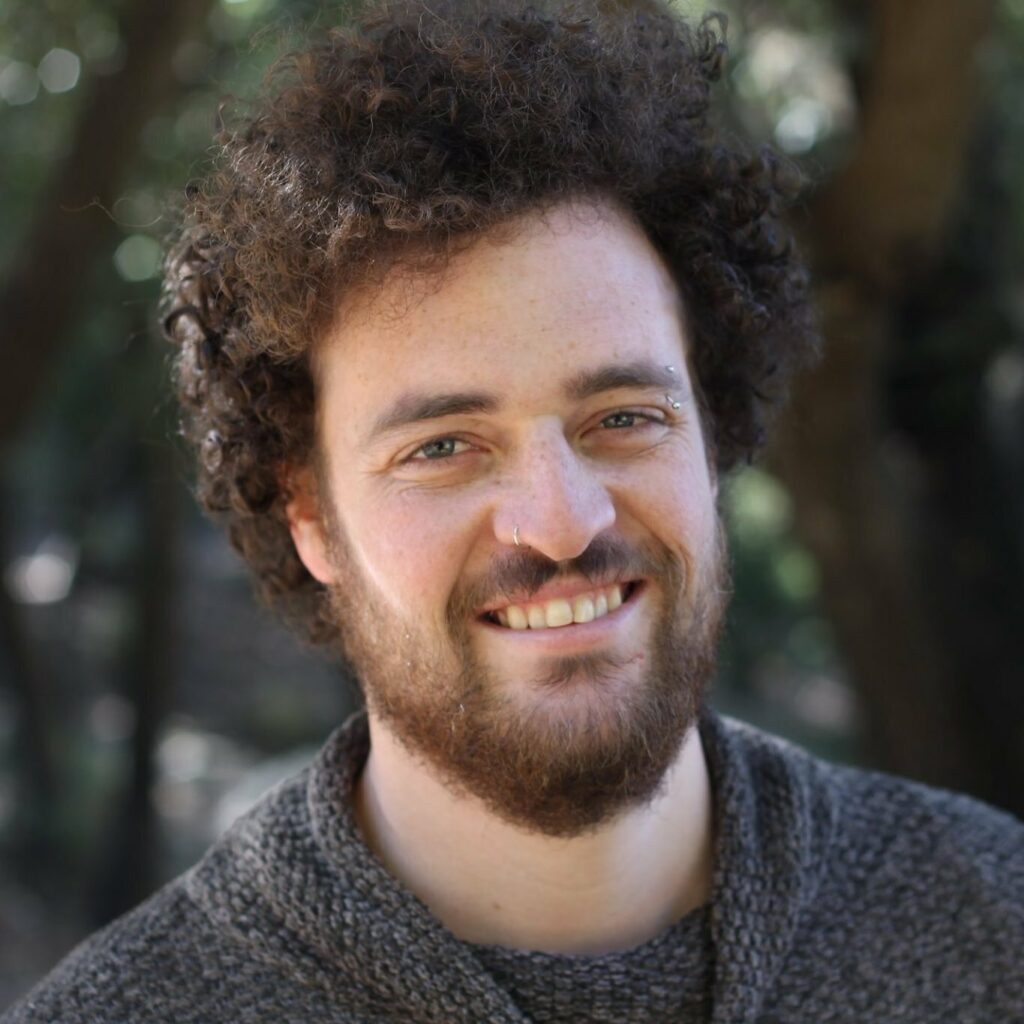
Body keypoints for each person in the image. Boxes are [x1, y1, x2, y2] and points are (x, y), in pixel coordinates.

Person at [7, 1, 1022, 1021]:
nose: (561, 522)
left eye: (622, 415)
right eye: (442, 447)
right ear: (307, 514)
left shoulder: (992, 921)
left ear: (711, 435)